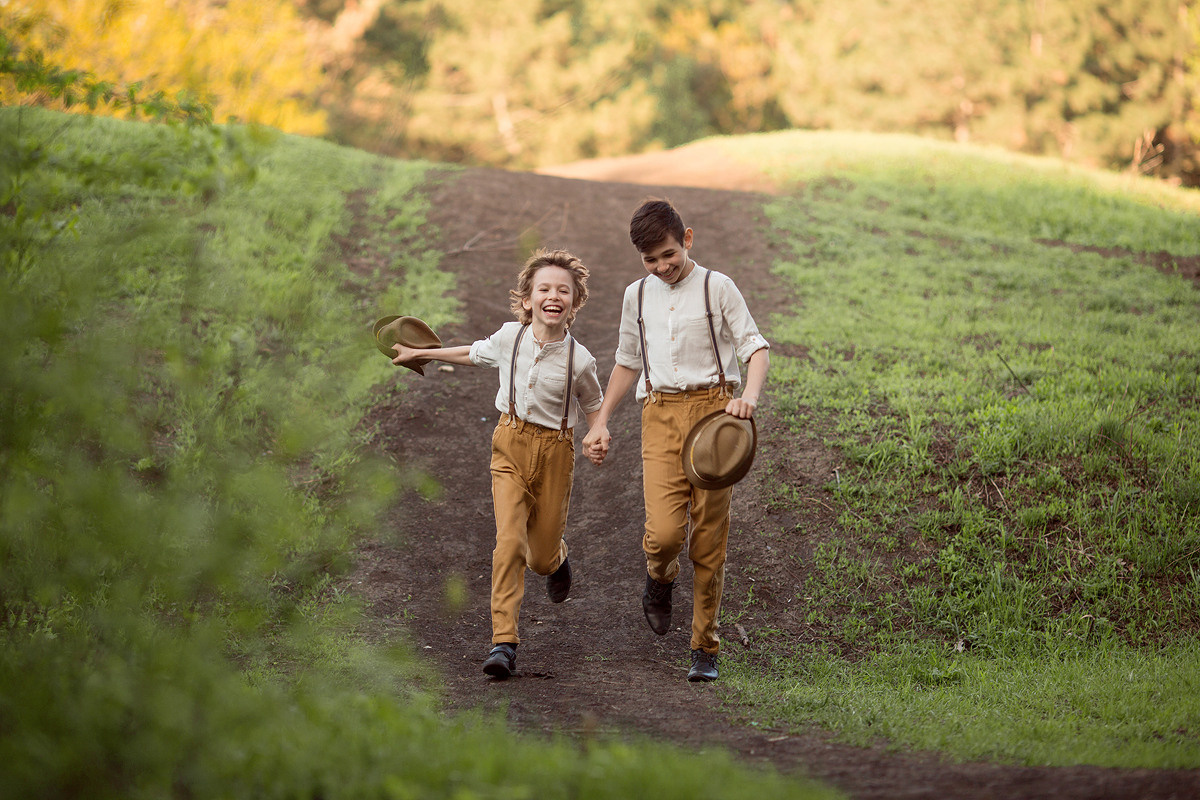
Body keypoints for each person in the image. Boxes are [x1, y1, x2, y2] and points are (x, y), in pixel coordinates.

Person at [392, 249, 604, 679]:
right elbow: (474, 353)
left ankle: (558, 558)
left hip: (555, 453)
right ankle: (503, 642)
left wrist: (596, 433)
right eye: (543, 288)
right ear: (526, 299)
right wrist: (423, 354)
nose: (553, 296)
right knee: (509, 543)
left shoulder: (579, 360)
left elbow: (595, 405)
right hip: (509, 444)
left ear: (575, 302)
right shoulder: (510, 338)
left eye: (563, 290)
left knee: (540, 558)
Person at [582, 199, 770, 682]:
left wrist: (747, 396)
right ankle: (659, 578)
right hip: (659, 414)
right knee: (664, 534)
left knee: (709, 538)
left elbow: (755, 348)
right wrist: (601, 420)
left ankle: (704, 645)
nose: (663, 267)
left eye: (668, 253)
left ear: (687, 238)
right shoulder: (636, 295)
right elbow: (627, 360)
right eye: (650, 260)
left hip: (715, 417)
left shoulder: (717, 286)